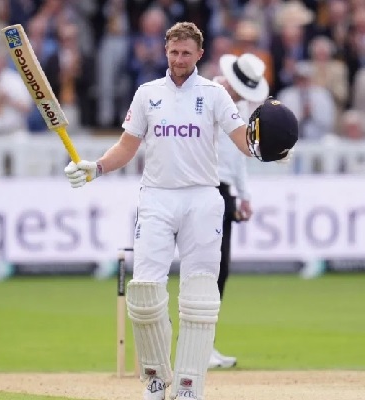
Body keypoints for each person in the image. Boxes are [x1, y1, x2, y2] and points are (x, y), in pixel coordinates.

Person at [64, 22, 296, 400]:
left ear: (199, 54)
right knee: (144, 293)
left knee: (200, 296)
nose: (179, 59)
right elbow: (126, 146)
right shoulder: (147, 94)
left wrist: (268, 149)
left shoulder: (214, 95)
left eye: (186, 53)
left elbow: (243, 140)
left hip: (202, 198)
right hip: (157, 197)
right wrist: (97, 167)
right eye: (174, 52)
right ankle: (156, 380)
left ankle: (190, 386)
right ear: (165, 51)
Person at [209, 52, 269, 369]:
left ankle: (205, 343)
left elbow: (240, 157)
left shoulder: (242, 108)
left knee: (221, 270)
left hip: (225, 190)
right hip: (204, 187)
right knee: (206, 268)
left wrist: (243, 196)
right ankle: (197, 344)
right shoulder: (206, 96)